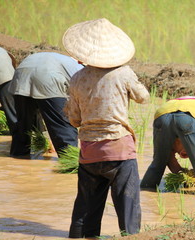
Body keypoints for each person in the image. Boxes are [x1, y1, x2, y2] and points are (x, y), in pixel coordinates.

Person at [62, 18, 149, 238]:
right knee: (127, 206)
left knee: (87, 206)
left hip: (89, 151)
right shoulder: (123, 73)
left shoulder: (77, 78)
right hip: (119, 149)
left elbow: (74, 119)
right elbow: (143, 98)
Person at [9, 52, 83, 157]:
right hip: (48, 78)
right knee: (61, 124)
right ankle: (70, 158)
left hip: (21, 76)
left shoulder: (64, 60)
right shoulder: (81, 69)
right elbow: (80, 99)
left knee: (23, 124)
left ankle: (18, 156)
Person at [0, 43, 17, 133]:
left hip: (1, 72)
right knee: (11, 108)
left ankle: (19, 138)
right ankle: (20, 136)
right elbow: (12, 60)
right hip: (8, 74)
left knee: (11, 110)